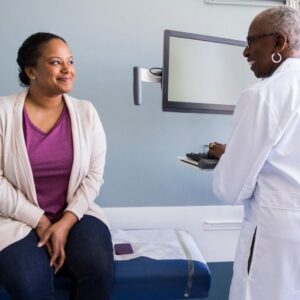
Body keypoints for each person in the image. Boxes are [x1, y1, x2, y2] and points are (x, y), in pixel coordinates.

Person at [0, 32, 113, 300]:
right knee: (29, 284)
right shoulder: (3, 112)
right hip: (14, 218)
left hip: (76, 213)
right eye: (55, 62)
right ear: (31, 71)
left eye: (70, 61)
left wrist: (64, 223)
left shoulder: (87, 112)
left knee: (98, 270)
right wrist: (39, 220)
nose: (67, 70)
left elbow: (94, 176)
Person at [209, 6, 300, 300]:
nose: (245, 53)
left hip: (275, 239)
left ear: (279, 43)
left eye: (251, 41)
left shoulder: (262, 95)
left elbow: (229, 189)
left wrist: (228, 158)